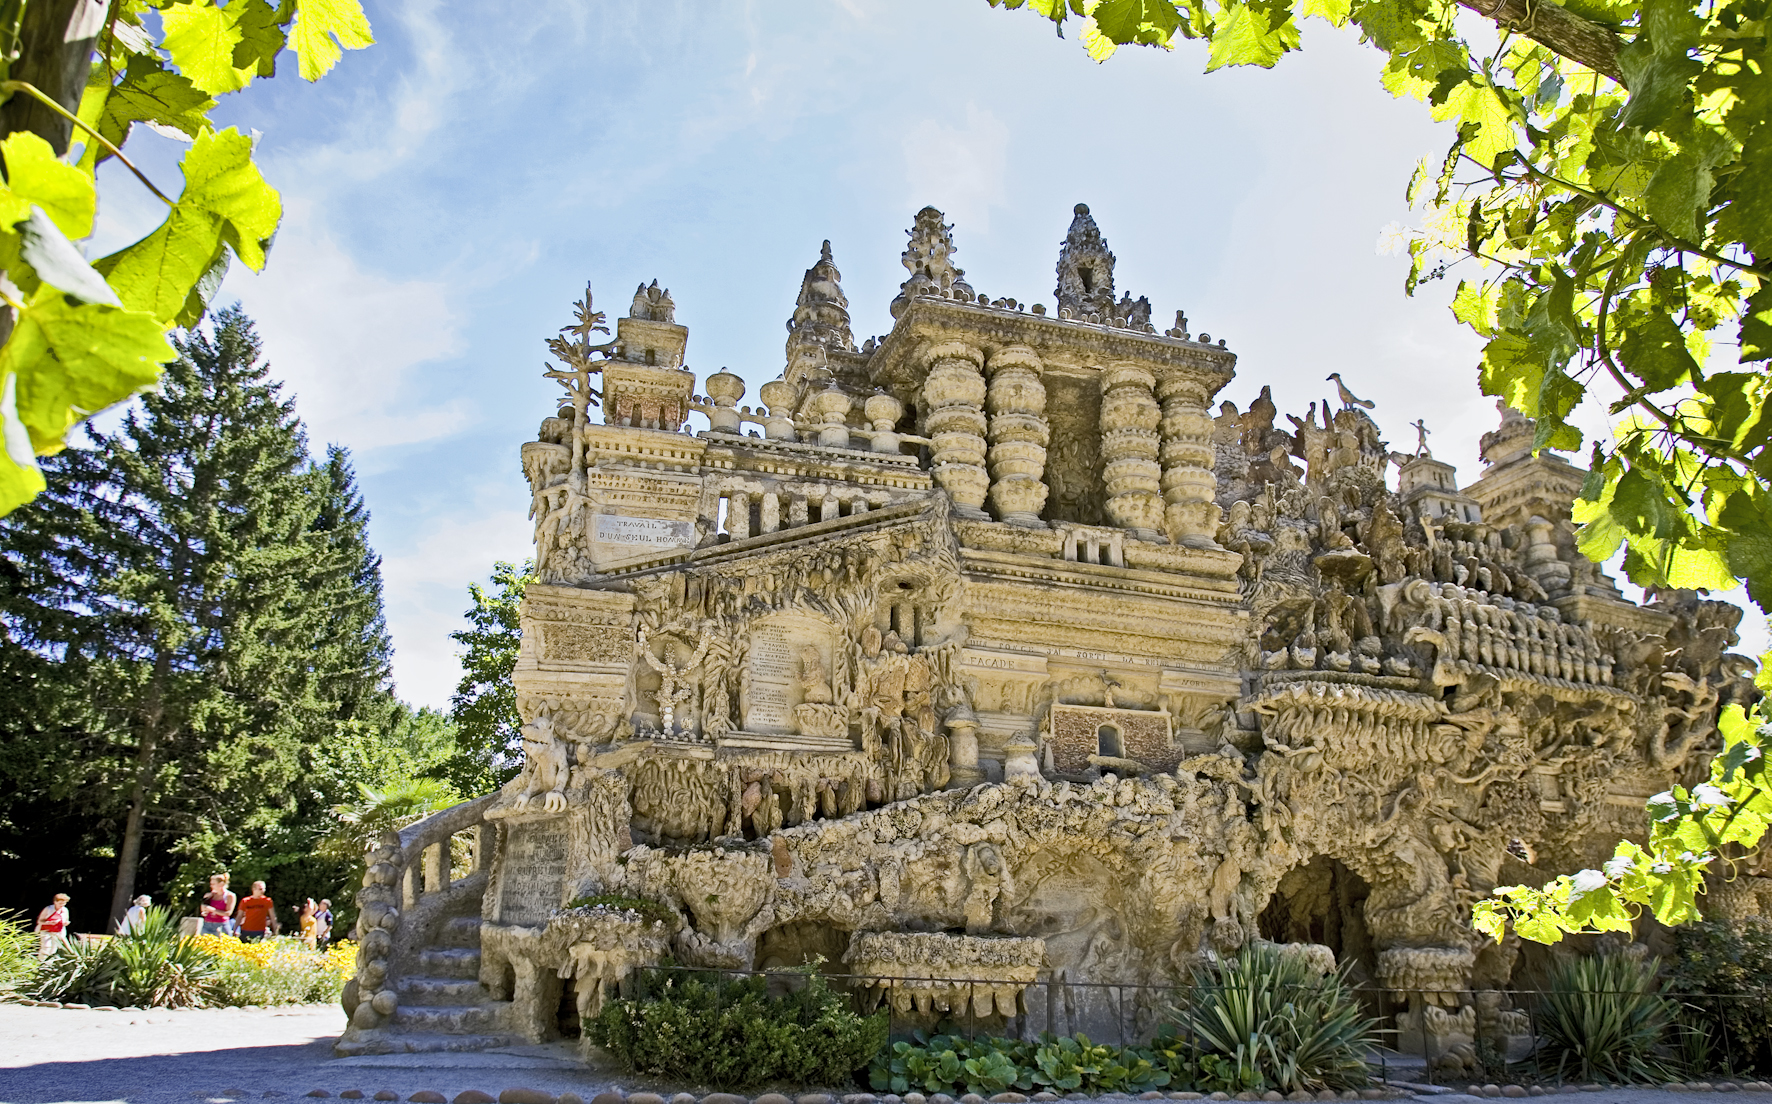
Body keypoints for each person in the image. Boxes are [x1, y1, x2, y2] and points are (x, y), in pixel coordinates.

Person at [35, 893, 71, 958]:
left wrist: (65, 923)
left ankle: (49, 964)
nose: (62, 905)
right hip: (46, 930)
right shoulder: (48, 909)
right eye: (60, 903)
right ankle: (41, 962)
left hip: (57, 932)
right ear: (55, 902)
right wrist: (49, 922)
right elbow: (39, 921)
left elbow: (65, 920)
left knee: (54, 949)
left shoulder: (65, 910)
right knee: (46, 946)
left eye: (64, 903)